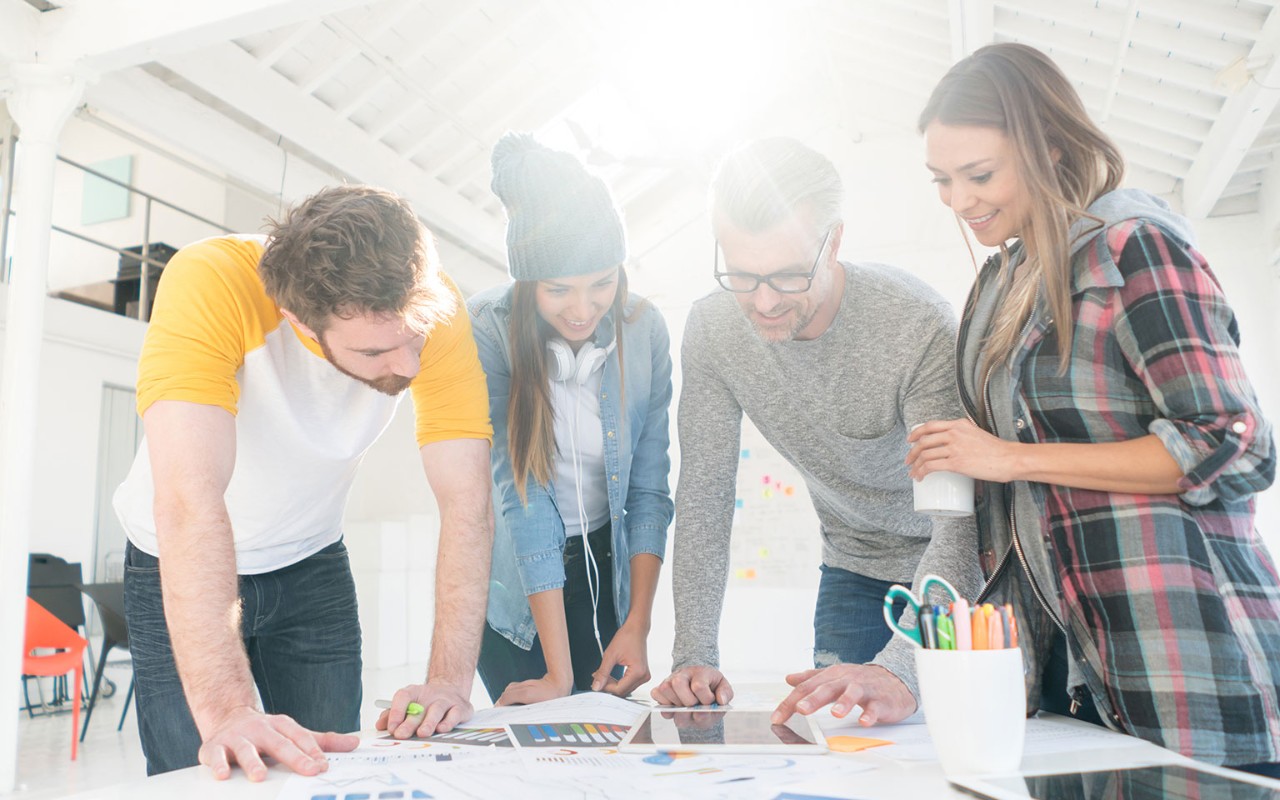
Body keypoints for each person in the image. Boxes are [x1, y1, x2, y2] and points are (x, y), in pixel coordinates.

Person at [909, 42, 1280, 774]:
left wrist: (1010, 458)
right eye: (942, 181)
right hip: (1061, 672)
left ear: (1050, 146)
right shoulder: (996, 287)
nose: (959, 201)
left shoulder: (1135, 252)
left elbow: (1235, 443)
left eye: (979, 175)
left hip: (1180, 654)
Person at [113, 186, 494, 780]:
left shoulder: (432, 308)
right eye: (376, 350)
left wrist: (448, 681)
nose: (410, 366)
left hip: (312, 560)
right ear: (300, 323)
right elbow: (190, 502)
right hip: (177, 560)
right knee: (203, 774)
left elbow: (468, 502)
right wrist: (228, 710)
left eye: (412, 339)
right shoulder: (209, 281)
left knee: (330, 771)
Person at [651, 137, 981, 726]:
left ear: (834, 243)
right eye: (743, 275)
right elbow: (703, 491)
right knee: (846, 750)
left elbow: (960, 525)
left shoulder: (916, 325)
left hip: (959, 567)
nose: (764, 301)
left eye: (786, 275)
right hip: (854, 566)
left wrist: (903, 666)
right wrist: (693, 654)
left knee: (957, 745)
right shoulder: (713, 328)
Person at [468, 133, 673, 705]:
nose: (583, 310)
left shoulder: (643, 330)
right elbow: (522, 495)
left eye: (601, 283)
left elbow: (650, 489)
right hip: (519, 589)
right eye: (559, 290)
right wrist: (558, 675)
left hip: (605, 576)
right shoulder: (488, 326)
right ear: (529, 281)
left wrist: (637, 623)